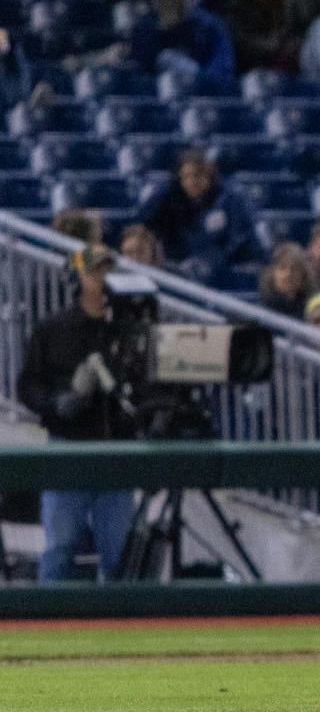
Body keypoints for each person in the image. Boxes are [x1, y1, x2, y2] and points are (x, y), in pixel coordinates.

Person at [17, 245, 136, 582]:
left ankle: (121, 625)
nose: (104, 279)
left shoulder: (127, 330)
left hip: (115, 448)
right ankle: (44, 625)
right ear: (78, 278)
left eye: (109, 271)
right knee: (60, 545)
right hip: (68, 447)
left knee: (119, 550)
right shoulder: (52, 329)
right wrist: (58, 403)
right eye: (96, 271)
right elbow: (28, 387)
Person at [137, 148, 261, 272]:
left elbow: (240, 240)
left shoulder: (230, 198)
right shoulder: (168, 198)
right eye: (186, 177)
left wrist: (213, 262)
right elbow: (145, 223)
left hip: (223, 269)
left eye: (197, 175)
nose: (192, 182)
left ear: (210, 176)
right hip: (177, 267)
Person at [128, 0, 233, 91]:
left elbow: (222, 69)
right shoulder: (145, 29)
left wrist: (197, 74)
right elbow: (138, 74)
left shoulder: (208, 26)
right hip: (158, 99)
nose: (170, 0)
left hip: (202, 96)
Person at [258, 241, 313, 318]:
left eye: (295, 268)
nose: (288, 274)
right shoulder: (259, 310)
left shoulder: (313, 309)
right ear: (273, 274)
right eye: (282, 268)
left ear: (303, 275)